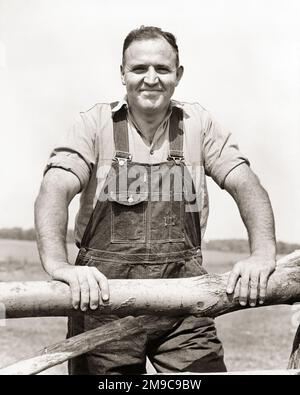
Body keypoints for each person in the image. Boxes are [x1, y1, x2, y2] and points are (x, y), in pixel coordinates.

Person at [35, 26, 276, 374]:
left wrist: (263, 254)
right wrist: (59, 266)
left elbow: (246, 184)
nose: (151, 79)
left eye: (162, 69)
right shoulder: (94, 124)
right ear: (122, 74)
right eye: (139, 69)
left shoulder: (198, 124)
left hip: (184, 309)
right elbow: (54, 189)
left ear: (178, 75)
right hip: (104, 305)